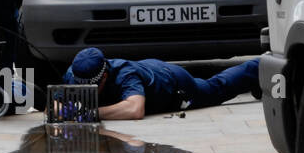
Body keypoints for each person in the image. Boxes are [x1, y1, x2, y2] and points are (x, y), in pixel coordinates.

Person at [63, 47, 261, 121]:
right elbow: (53, 104)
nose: (88, 92)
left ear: (105, 76)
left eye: (93, 88)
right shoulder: (74, 73)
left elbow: (135, 109)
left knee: (217, 88)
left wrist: (90, 113)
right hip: (151, 68)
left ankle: (261, 65)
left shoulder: (125, 74)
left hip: (176, 85)